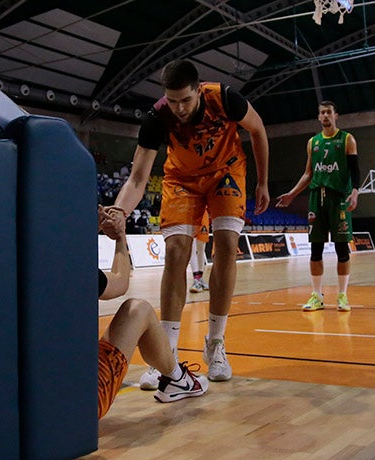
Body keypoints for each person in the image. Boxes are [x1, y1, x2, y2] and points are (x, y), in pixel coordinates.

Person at [113, 59, 270, 385]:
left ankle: (215, 343)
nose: (180, 108)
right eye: (173, 101)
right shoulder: (157, 117)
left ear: (198, 91)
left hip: (226, 172)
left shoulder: (226, 98)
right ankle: (165, 353)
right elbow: (138, 178)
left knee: (226, 243)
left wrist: (263, 182)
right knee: (175, 251)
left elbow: (257, 129)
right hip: (182, 179)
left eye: (185, 99)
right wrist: (119, 211)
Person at [96, 205, 208, 415]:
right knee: (139, 309)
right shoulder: (73, 268)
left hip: (22, 396)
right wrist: (120, 237)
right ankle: (177, 378)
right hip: (79, 398)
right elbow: (120, 282)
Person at [275, 100, 359, 312]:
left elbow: (355, 170)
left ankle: (342, 296)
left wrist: (355, 191)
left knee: (342, 249)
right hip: (316, 197)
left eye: (329, 112)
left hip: (338, 198)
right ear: (318, 117)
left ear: (336, 115)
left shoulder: (347, 139)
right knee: (316, 249)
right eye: (322, 113)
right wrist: (293, 194)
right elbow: (308, 173)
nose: (325, 116)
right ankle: (316, 296)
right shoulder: (313, 142)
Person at [189, 212, 210, 293]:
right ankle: (196, 279)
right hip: (190, 214)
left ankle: (200, 278)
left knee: (201, 249)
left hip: (203, 216)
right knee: (192, 249)